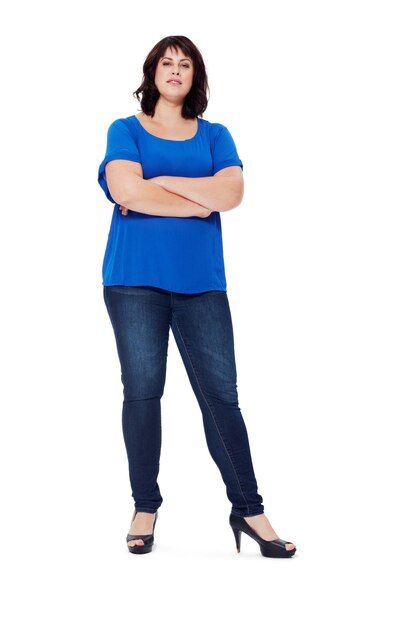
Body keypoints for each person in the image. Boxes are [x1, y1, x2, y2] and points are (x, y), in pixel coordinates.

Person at [97, 35, 296, 558]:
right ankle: (145, 505)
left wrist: (157, 183)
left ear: (195, 77)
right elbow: (125, 190)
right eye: (167, 62)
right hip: (133, 281)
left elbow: (230, 194)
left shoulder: (216, 135)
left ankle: (249, 509)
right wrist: (194, 196)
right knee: (143, 391)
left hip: (202, 284)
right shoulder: (125, 129)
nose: (176, 70)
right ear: (152, 73)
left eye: (185, 64)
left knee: (221, 397)